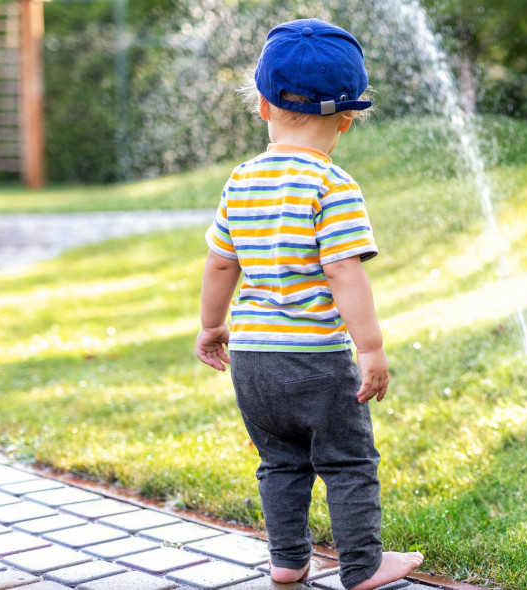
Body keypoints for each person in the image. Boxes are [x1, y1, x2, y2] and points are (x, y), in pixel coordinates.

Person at [195, 18, 423, 590]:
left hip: (251, 360)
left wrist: (210, 325)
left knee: (281, 462)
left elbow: (222, 262)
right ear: (348, 118)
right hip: (315, 360)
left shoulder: (240, 180)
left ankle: (288, 560)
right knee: (347, 462)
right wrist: (369, 348)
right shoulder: (332, 185)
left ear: (265, 105)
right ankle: (363, 564)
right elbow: (342, 270)